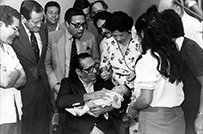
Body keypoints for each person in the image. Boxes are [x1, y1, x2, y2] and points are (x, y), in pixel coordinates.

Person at [127, 8, 186, 134]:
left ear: (142, 34)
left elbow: (146, 99)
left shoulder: (147, 60)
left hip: (155, 119)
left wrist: (133, 106)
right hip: (177, 117)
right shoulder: (173, 54)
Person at [45, 7, 100, 134]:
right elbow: (47, 65)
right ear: (67, 24)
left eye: (83, 24)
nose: (81, 28)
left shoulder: (90, 37)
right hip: (59, 89)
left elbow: (96, 61)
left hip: (83, 91)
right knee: (62, 126)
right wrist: (56, 85)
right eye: (77, 25)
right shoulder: (53, 37)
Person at [160, 9, 203, 134]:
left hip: (194, 109)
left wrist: (201, 115)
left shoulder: (190, 48)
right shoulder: (173, 49)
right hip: (182, 108)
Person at [12, 0, 51, 134]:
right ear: (23, 18)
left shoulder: (44, 28)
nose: (39, 25)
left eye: (41, 20)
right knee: (26, 129)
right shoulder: (14, 34)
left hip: (43, 88)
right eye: (35, 22)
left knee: (43, 127)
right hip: (24, 90)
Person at [57, 52, 120, 134]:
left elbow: (123, 99)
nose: (94, 71)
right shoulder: (68, 82)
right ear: (78, 72)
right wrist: (88, 96)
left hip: (103, 125)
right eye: (89, 69)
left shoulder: (102, 81)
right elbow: (61, 102)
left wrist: (106, 109)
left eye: (95, 66)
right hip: (78, 126)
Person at [99, 11, 140, 134]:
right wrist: (104, 71)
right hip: (118, 89)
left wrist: (138, 72)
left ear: (129, 30)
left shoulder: (139, 39)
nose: (117, 39)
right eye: (114, 35)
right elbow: (104, 63)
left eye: (121, 35)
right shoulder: (108, 42)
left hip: (138, 89)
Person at [0, 5, 26, 134]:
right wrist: (16, 72)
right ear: (1, 25)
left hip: (15, 111)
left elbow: (24, 78)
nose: (17, 34)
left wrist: (12, 74)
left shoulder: (9, 48)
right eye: (15, 29)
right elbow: (4, 81)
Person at [65, 84, 131, 117]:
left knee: (89, 104)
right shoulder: (112, 91)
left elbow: (118, 105)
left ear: (121, 94)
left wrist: (111, 107)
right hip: (98, 100)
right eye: (118, 85)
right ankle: (75, 110)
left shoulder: (118, 96)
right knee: (86, 103)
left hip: (100, 103)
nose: (116, 86)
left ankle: (80, 112)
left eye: (119, 87)